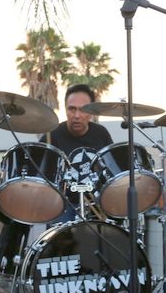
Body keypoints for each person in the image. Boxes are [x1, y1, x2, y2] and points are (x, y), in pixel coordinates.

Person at [42, 83, 113, 220]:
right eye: (72, 109)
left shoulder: (101, 133)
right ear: (65, 109)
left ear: (91, 112)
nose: (77, 115)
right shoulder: (52, 136)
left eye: (83, 110)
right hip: (63, 204)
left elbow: (111, 169)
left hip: (97, 203)